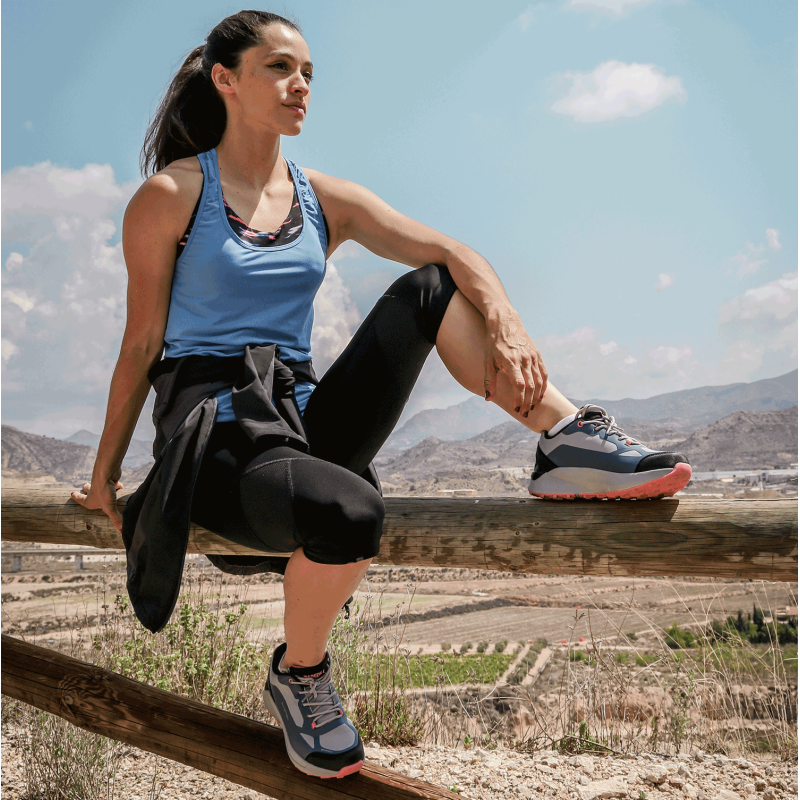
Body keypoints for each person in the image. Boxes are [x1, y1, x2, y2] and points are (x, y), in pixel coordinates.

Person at [71, 10, 691, 779]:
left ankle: (564, 436)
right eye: (279, 68)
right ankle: (301, 674)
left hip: (296, 420)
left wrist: (505, 321)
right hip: (222, 441)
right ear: (225, 80)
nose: (300, 85)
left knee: (433, 286)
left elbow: (450, 252)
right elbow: (141, 346)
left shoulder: (321, 196)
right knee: (354, 510)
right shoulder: (171, 195)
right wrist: (104, 476)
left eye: (308, 73)